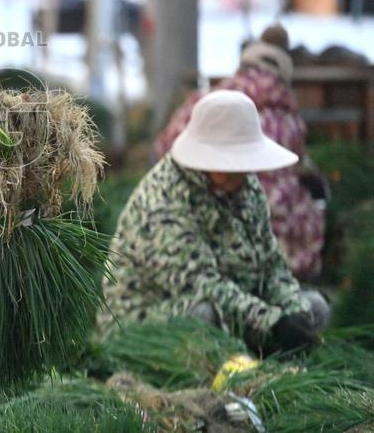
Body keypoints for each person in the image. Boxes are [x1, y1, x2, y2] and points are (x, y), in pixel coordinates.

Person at [102, 90, 329, 357]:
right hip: (148, 318)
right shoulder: (163, 201)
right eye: (229, 163)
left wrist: (294, 313)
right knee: (203, 314)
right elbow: (202, 284)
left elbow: (271, 264)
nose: (240, 173)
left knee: (314, 308)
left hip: (237, 307)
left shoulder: (244, 187)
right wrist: (273, 323)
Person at [154, 24, 326, 280]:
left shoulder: (206, 102)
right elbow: (298, 168)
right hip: (273, 227)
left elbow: (164, 148)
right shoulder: (290, 121)